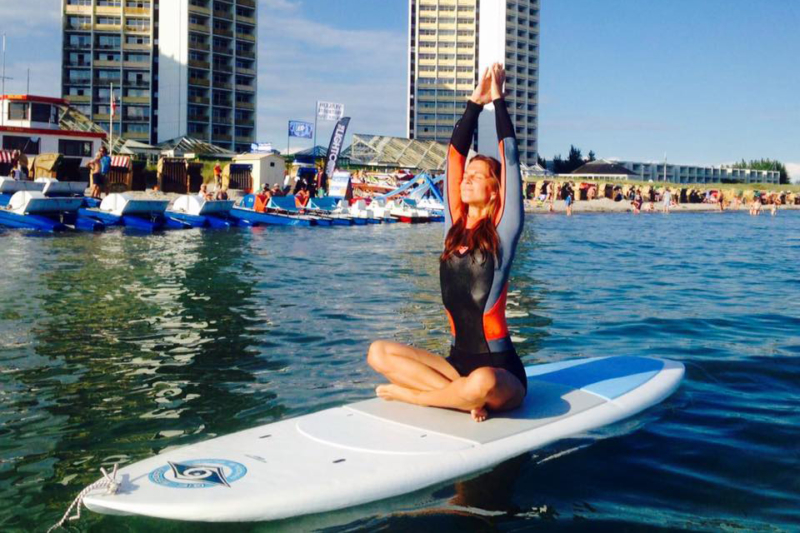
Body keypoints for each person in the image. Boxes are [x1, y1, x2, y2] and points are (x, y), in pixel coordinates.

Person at [367, 63, 526, 423]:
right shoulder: (453, 227)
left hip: (500, 373)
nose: (466, 180)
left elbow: (511, 160)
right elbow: (453, 157)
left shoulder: (505, 230)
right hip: (454, 365)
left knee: (482, 382)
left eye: (477, 176)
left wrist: (498, 99)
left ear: (494, 189)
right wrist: (474, 102)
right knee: (378, 353)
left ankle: (416, 397)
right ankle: (454, 397)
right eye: (466, 177)